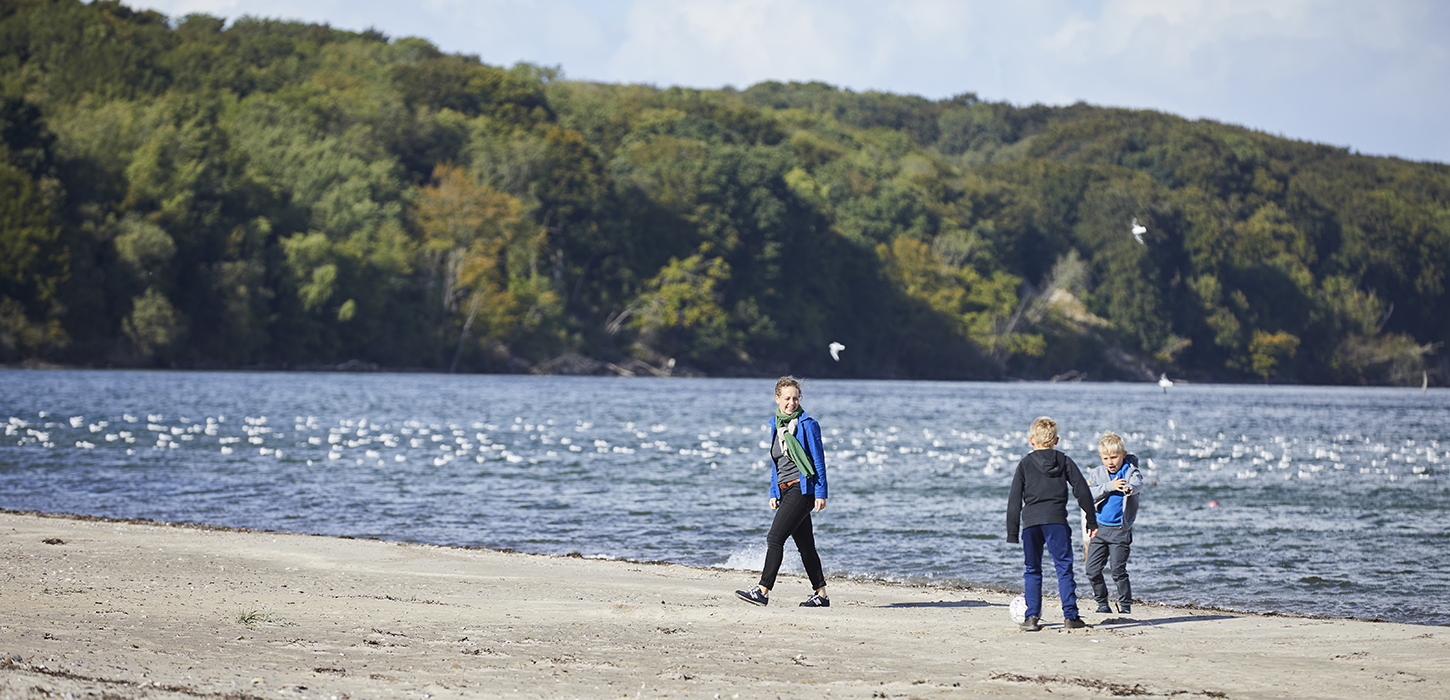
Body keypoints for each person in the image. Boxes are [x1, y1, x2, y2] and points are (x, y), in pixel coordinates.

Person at [736, 376, 830, 608]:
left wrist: (821, 493)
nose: (791, 403)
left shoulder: (808, 424)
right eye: (787, 398)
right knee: (805, 546)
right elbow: (776, 463)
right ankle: (821, 594)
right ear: (777, 398)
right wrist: (773, 492)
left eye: (795, 398)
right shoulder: (776, 425)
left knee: (775, 538)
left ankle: (762, 590)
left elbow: (818, 462)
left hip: (803, 489)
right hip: (785, 490)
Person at [1006, 416, 1097, 631]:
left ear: (1031, 440)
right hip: (1056, 521)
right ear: (1056, 440)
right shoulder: (1064, 460)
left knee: (1032, 569)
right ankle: (1070, 616)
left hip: (1031, 524)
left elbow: (1014, 499)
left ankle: (1031, 618)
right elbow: (1082, 490)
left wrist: (1012, 532)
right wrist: (1091, 520)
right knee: (1064, 568)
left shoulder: (1025, 464)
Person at [1085, 432, 1144, 615]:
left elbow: (1138, 483)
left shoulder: (1130, 471)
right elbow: (1088, 495)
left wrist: (1130, 488)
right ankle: (1102, 603)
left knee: (1118, 570)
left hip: (1120, 530)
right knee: (1092, 569)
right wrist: (1109, 487)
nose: (1110, 462)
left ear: (1123, 455)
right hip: (1100, 529)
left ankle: (1125, 606)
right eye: (1106, 458)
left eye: (1114, 457)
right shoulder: (1097, 473)